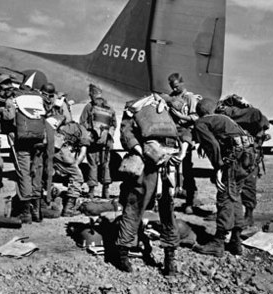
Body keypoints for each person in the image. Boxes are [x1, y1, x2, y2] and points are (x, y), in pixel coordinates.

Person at [113, 93, 183, 275]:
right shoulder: (165, 108)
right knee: (168, 212)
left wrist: (140, 151)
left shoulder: (133, 108)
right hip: (169, 163)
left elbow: (126, 135)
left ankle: (123, 255)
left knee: (134, 206)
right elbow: (183, 131)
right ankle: (170, 260)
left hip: (148, 164)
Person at [192, 99, 257, 257]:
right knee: (235, 197)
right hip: (248, 158)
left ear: (200, 112)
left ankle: (218, 242)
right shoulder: (224, 119)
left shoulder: (202, 122)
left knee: (225, 198)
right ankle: (235, 240)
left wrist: (219, 167)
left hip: (234, 161)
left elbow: (212, 145)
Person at [215, 94, 269, 228]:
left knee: (247, 187)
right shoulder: (238, 118)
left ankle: (248, 217)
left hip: (248, 158)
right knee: (232, 187)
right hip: (238, 157)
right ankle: (231, 215)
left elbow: (259, 119)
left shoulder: (252, 115)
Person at [0, 74, 46, 224]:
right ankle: (37, 211)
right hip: (39, 140)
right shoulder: (38, 99)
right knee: (36, 172)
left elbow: (8, 116)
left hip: (22, 141)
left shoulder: (13, 99)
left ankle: (26, 212)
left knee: (23, 173)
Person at [167, 73, 202, 214]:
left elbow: (195, 117)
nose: (174, 89)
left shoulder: (190, 98)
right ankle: (168, 200)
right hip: (173, 133)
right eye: (172, 87)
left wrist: (181, 116)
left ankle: (190, 201)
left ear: (182, 83)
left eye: (176, 86)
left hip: (186, 132)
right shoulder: (172, 97)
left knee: (186, 168)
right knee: (169, 167)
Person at [46, 115, 90, 216]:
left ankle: (46, 199)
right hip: (61, 151)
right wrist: (75, 166)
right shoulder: (84, 131)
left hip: (50, 149)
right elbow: (83, 153)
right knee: (78, 177)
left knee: (47, 174)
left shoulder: (68, 126)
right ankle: (69, 209)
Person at [79, 84, 117, 199]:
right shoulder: (109, 108)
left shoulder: (89, 107)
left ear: (91, 94)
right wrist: (107, 135)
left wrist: (88, 135)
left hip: (93, 141)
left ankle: (91, 192)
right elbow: (114, 124)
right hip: (106, 141)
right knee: (106, 165)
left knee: (92, 165)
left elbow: (82, 123)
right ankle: (105, 192)